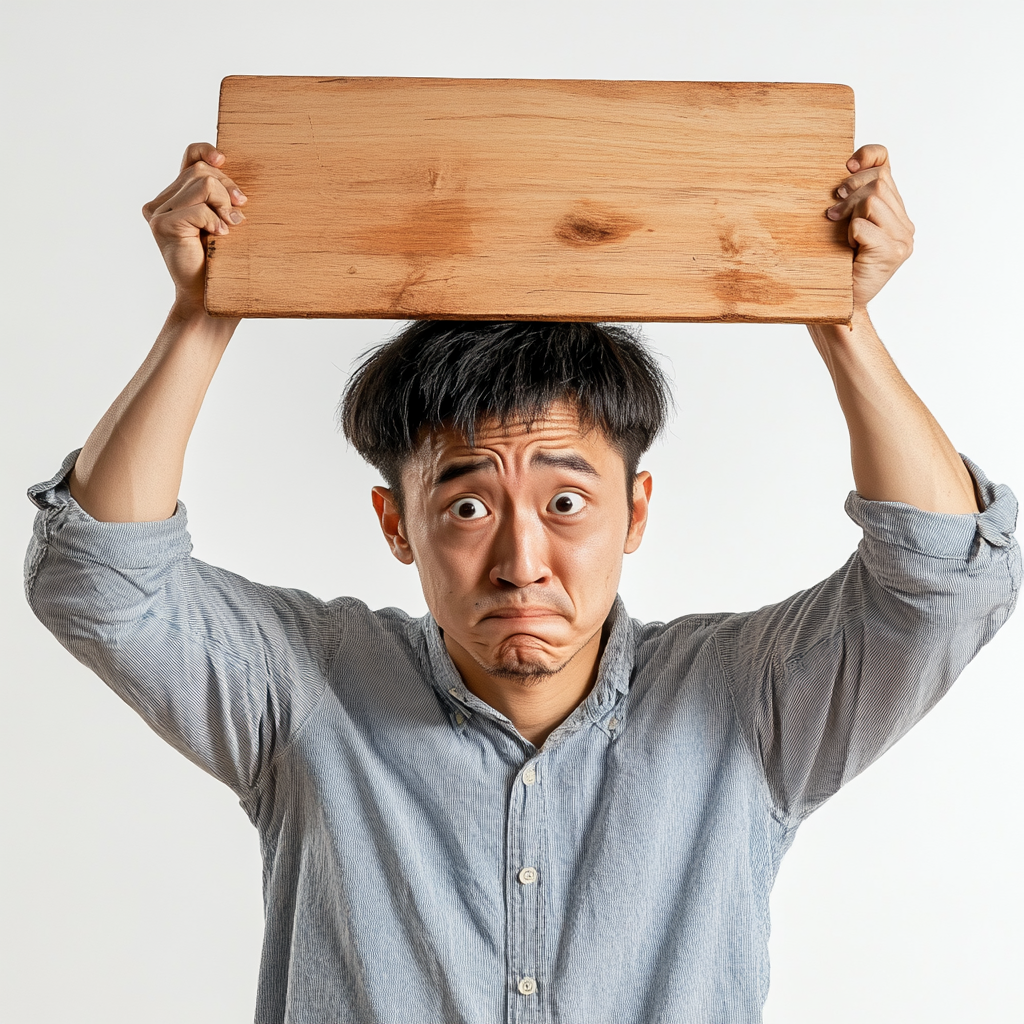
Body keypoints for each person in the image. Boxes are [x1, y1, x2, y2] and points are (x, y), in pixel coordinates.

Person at [25, 141, 1019, 1024]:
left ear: (634, 512)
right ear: (395, 526)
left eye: (565, 501)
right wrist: (201, 315)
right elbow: (100, 580)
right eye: (464, 506)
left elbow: (943, 582)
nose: (519, 559)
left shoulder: (748, 701)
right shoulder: (304, 686)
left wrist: (842, 318)